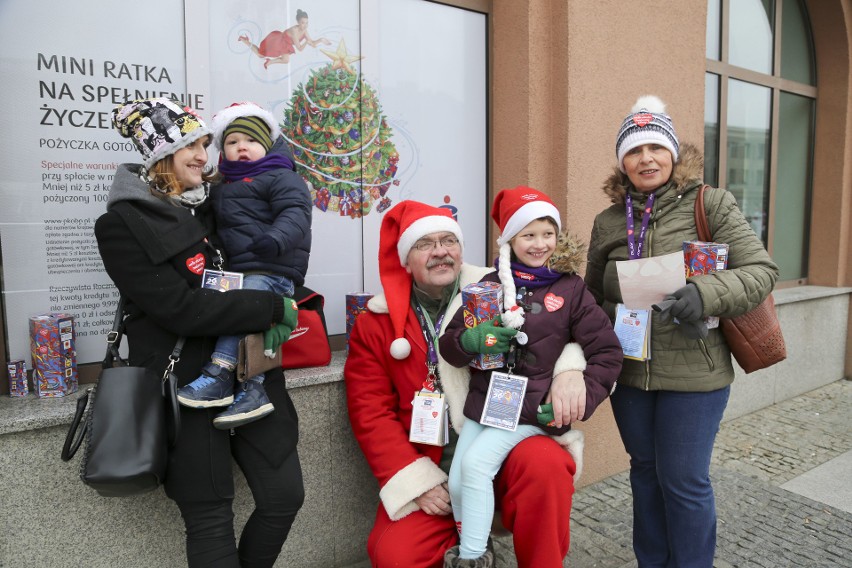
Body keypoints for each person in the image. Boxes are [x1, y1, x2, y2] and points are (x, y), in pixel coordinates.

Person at [95, 97, 304, 568]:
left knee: (284, 497)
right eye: (190, 145)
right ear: (159, 153)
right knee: (210, 519)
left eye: (205, 145)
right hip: (180, 387)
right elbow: (180, 309)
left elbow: (279, 208)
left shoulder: (216, 204)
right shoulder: (120, 224)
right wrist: (270, 305)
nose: (202, 156)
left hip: (251, 376)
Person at [585, 95, 779, 568]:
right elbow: (590, 296)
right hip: (630, 373)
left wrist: (705, 293)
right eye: (633, 150)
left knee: (684, 482)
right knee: (645, 475)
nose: (645, 158)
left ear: (672, 153)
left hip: (696, 371)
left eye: (655, 147)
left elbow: (761, 270)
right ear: (622, 162)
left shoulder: (710, 203)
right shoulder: (608, 221)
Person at [344, 200, 590, 568]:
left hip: (506, 449)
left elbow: (567, 328)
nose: (440, 252)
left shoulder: (501, 287)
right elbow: (370, 410)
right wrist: (417, 481)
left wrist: (571, 367)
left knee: (546, 464)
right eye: (425, 244)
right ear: (405, 258)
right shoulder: (374, 323)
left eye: (449, 241)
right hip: (431, 467)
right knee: (394, 556)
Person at [438, 186, 624, 566]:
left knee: (475, 468)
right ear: (509, 238)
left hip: (534, 412)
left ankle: (471, 558)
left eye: (547, 233)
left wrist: (574, 401)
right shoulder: (489, 285)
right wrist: (471, 340)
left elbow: (607, 352)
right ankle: (477, 541)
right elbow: (450, 348)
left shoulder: (570, 288)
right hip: (487, 405)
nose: (540, 244)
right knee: (457, 481)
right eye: (528, 234)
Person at [176, 101, 312, 430]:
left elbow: (296, 213)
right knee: (239, 313)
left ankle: (219, 373)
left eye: (249, 141)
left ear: (265, 144)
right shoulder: (223, 186)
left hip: (274, 270)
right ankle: (252, 389)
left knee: (245, 306)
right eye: (232, 143)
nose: (241, 148)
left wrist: (276, 238)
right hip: (243, 272)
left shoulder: (280, 175)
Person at [238, 9, 331, 69]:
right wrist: (307, 42)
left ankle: (269, 62)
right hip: (278, 41)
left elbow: (313, 43)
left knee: (286, 60)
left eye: (307, 23)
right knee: (260, 54)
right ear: (298, 22)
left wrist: (321, 40)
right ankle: (244, 40)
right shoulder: (294, 31)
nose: (305, 25)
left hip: (286, 44)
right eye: (303, 23)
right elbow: (299, 48)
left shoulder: (305, 31)